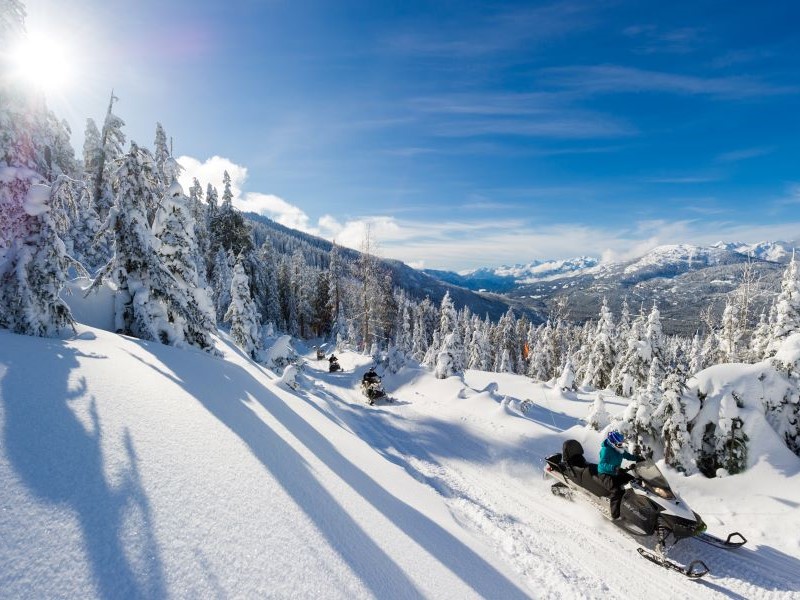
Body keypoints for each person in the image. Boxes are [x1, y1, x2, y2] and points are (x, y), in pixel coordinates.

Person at [598, 430, 642, 519]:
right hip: (605, 474)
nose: (621, 444)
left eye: (621, 442)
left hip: (616, 472)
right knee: (617, 491)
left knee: (634, 481)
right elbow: (602, 464)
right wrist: (614, 468)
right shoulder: (606, 450)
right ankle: (615, 516)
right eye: (619, 442)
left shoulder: (619, 448)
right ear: (612, 442)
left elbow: (627, 456)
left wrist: (638, 458)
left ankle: (633, 507)